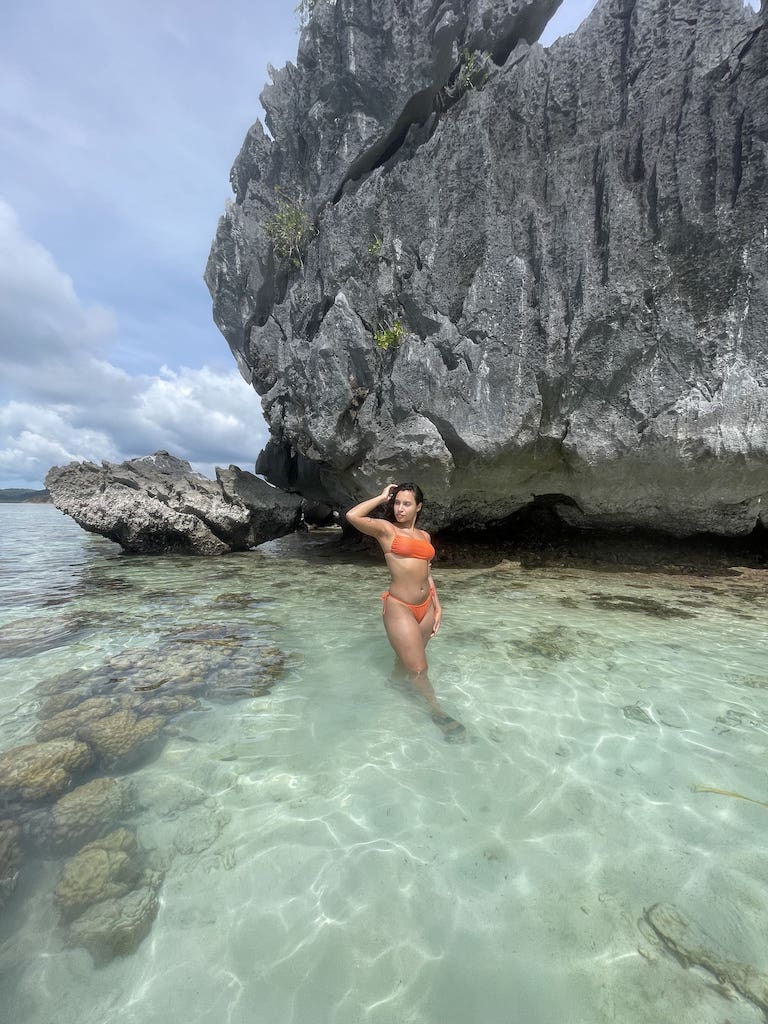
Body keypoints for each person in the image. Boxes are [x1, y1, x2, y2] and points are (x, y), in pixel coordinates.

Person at [345, 483, 466, 742]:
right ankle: (437, 711)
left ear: (418, 507)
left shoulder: (425, 536)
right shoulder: (387, 530)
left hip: (427, 607)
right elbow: (352, 516)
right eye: (397, 503)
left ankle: (394, 688)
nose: (400, 509)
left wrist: (438, 604)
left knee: (407, 661)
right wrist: (380, 498)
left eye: (406, 504)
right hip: (400, 607)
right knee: (419, 668)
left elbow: (427, 571)